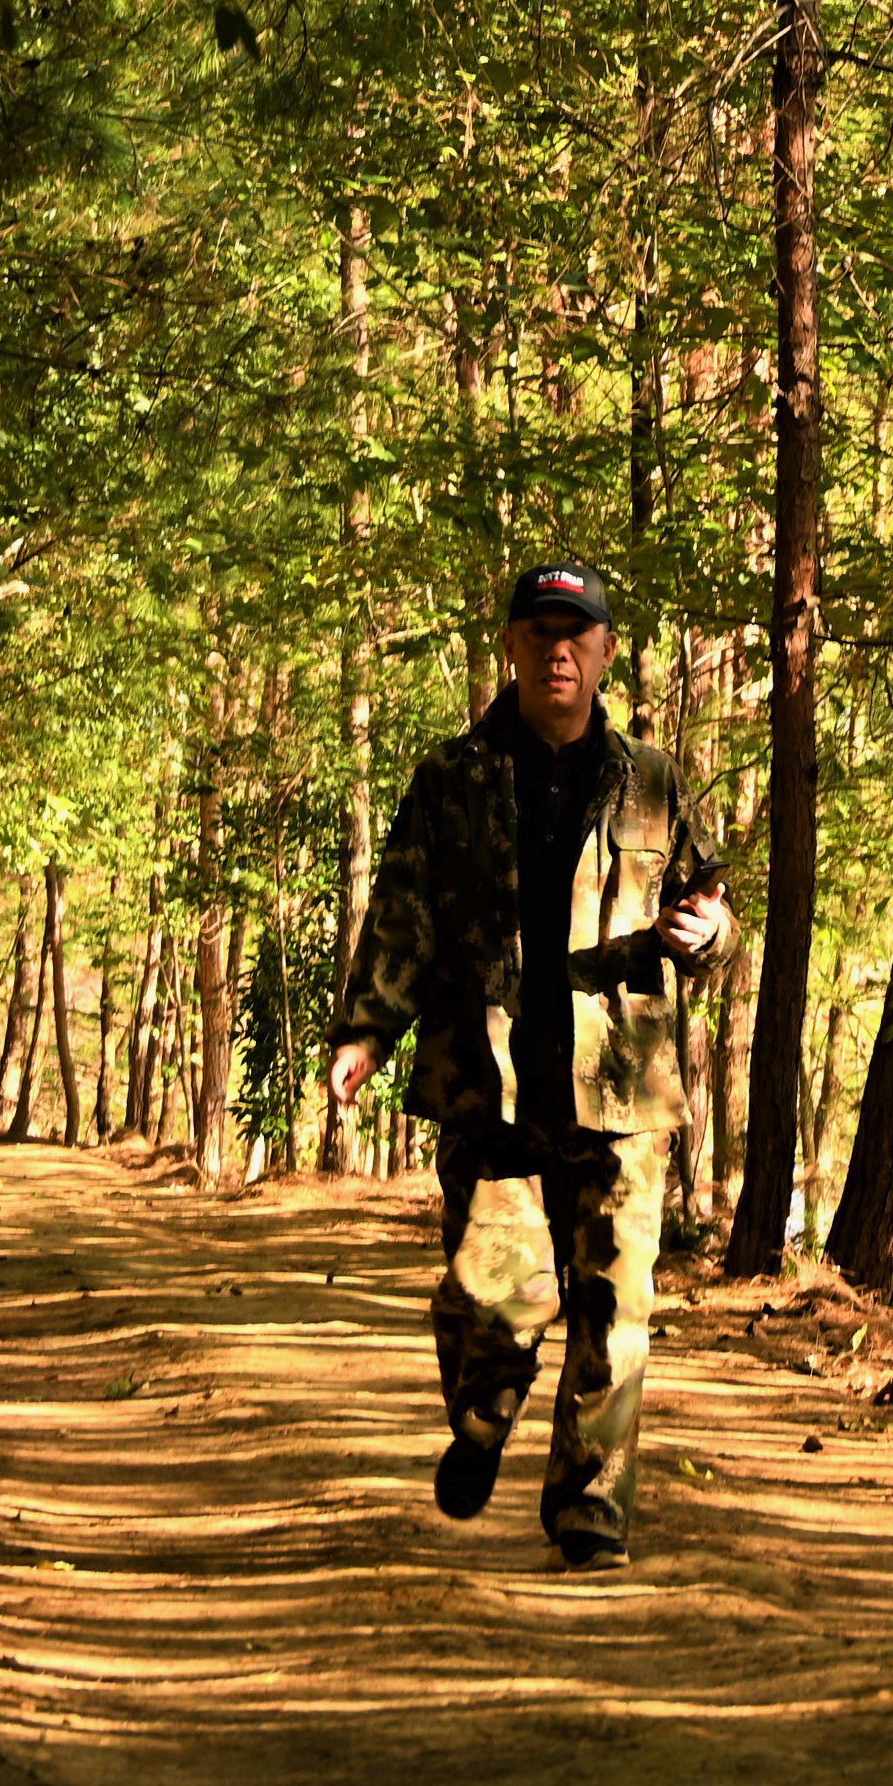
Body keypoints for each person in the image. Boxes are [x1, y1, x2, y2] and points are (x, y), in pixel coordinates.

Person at [323, 560, 734, 1569]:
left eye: (576, 634)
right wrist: (366, 1031)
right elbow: (403, 917)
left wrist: (709, 932)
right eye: (539, 632)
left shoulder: (652, 781)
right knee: (497, 1290)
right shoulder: (449, 778)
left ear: (602, 652)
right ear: (509, 646)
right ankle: (480, 1409)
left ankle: (590, 1512)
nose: (558, 650)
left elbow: (718, 924)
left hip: (621, 1081)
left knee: (614, 1306)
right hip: (487, 1074)